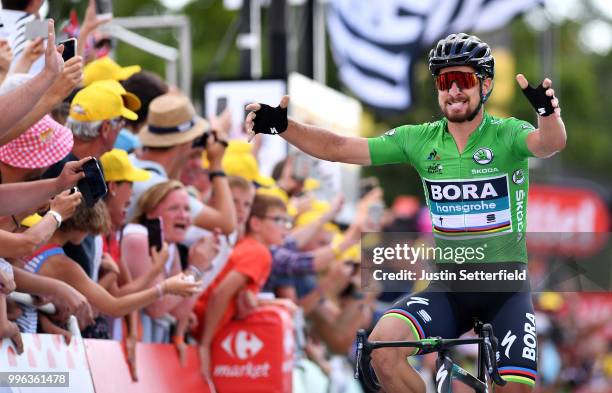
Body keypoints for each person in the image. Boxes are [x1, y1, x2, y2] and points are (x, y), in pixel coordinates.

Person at [245, 33, 567, 392]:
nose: (454, 91)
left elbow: (550, 143)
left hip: (504, 288)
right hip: (450, 287)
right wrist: (284, 126)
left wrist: (546, 114)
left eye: (464, 80)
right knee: (383, 349)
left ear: (486, 84)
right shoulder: (420, 140)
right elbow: (337, 147)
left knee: (516, 388)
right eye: (446, 81)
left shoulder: (507, 134)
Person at [195, 194, 291, 381]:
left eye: (288, 222)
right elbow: (220, 293)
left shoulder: (254, 248)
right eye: (279, 220)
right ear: (255, 223)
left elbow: (234, 295)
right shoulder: (258, 252)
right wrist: (204, 345)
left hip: (202, 326)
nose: (285, 228)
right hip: (199, 329)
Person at [121, 180, 218, 343]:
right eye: (174, 208)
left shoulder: (170, 245)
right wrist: (194, 269)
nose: (184, 216)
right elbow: (157, 307)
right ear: (151, 213)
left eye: (187, 209)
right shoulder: (138, 237)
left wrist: (199, 269)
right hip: (117, 339)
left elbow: (179, 311)